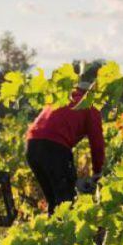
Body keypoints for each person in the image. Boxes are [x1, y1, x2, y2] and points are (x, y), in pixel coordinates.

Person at [25, 74, 105, 215]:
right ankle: (63, 234)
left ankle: (52, 233)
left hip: (32, 146)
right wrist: (98, 172)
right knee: (65, 199)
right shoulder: (90, 105)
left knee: (53, 199)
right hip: (54, 148)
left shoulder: (63, 98)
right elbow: (97, 142)